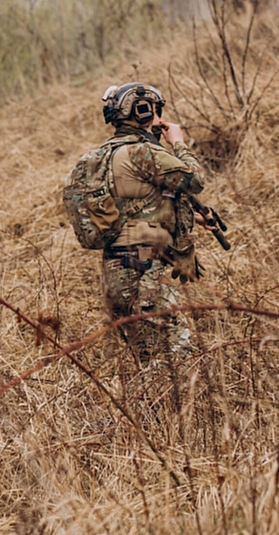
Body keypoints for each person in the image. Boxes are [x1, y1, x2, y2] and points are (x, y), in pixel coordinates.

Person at [64, 82, 213, 395]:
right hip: (144, 271)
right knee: (176, 357)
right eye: (157, 111)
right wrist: (178, 142)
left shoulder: (98, 158)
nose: (160, 119)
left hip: (116, 273)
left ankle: (141, 431)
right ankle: (127, 426)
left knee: (149, 359)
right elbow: (194, 179)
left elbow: (133, 208)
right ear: (144, 111)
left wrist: (190, 217)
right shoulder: (144, 152)